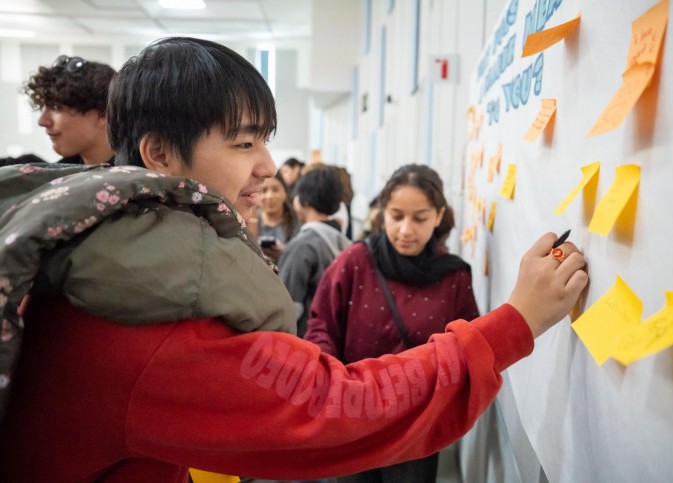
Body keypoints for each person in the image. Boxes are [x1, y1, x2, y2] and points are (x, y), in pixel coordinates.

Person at [0, 37, 588, 481]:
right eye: (244, 143)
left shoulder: (117, 255)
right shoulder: (145, 314)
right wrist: (518, 322)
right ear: (159, 154)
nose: (267, 167)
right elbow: (345, 404)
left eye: (265, 141)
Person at [303, 164, 479, 482]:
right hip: (354, 421)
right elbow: (321, 325)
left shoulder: (454, 277)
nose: (405, 230)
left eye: (420, 218)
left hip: (416, 428)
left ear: (439, 216)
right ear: (382, 213)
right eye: (396, 216)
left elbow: (470, 347)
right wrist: (331, 382)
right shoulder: (355, 262)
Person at [0, 55, 116, 166]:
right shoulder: (60, 177)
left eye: (55, 107)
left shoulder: (132, 180)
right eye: (43, 106)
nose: (42, 121)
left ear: (103, 114)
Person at [278, 167, 352, 337]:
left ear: (303, 201)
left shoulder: (301, 246)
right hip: (333, 337)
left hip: (305, 339)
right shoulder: (344, 242)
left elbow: (287, 307)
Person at [254, 171, 301, 262]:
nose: (269, 196)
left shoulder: (297, 221)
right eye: (264, 190)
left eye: (275, 190)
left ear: (285, 193)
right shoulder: (250, 220)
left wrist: (286, 253)